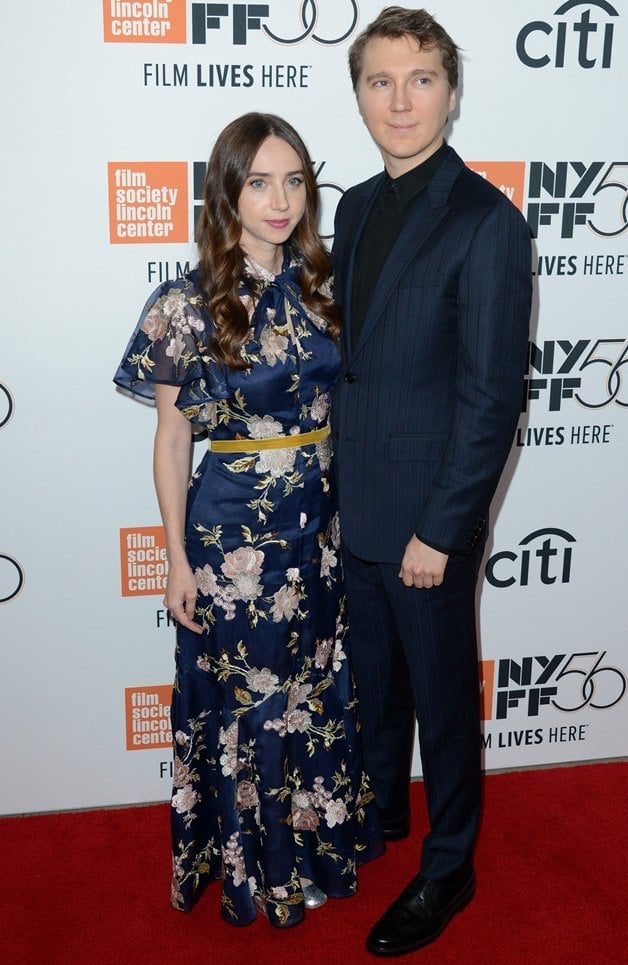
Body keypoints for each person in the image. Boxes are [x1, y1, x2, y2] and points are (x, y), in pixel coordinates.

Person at [114, 112, 383, 930]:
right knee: (249, 701)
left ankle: (307, 848)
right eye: (259, 182)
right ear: (225, 192)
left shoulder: (329, 285)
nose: (281, 199)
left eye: (295, 180)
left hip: (318, 533)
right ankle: (258, 867)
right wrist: (174, 557)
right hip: (232, 538)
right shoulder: (184, 304)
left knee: (312, 691)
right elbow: (171, 439)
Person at [331, 7, 533, 956]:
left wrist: (444, 530)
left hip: (427, 526)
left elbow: (492, 398)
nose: (400, 100)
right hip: (356, 507)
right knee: (376, 688)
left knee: (445, 705)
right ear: (361, 96)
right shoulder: (355, 207)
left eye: (420, 79)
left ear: (452, 91)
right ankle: (382, 817)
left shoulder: (488, 223)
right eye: (380, 80)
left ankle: (449, 864)